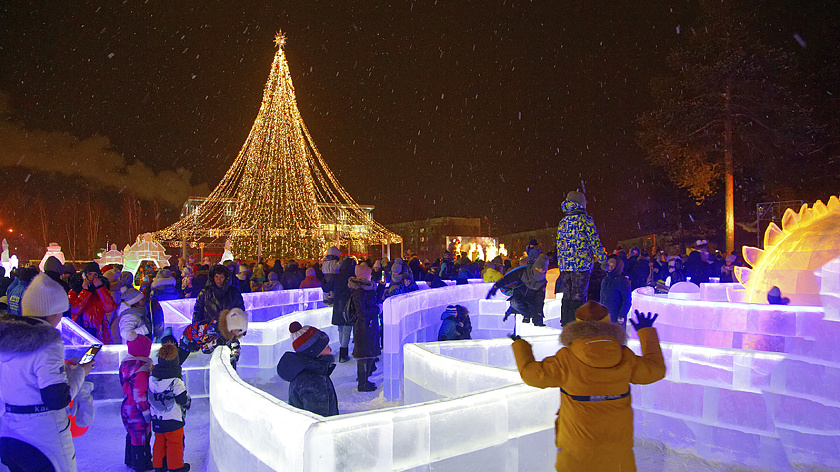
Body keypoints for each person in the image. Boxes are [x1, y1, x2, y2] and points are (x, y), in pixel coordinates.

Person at [511, 302, 666, 471]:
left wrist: (521, 346)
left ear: (577, 325)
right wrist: (646, 332)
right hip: (616, 454)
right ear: (608, 323)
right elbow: (656, 370)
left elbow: (532, 376)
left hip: (577, 452)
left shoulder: (567, 359)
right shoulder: (624, 357)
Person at [0, 273, 95, 472]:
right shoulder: (47, 342)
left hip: (10, 433)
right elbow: (56, 398)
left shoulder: (6, 339)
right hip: (43, 437)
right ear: (53, 313)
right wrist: (80, 373)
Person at [555, 191, 607, 326]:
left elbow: (559, 246)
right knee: (579, 296)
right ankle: (578, 324)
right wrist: (602, 260)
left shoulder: (562, 222)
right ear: (581, 203)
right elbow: (594, 241)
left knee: (567, 295)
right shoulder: (586, 220)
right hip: (581, 265)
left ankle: (566, 322)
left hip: (565, 266)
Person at [179, 265, 245, 363]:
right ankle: (171, 370)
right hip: (207, 330)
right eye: (217, 277)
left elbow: (240, 311)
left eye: (221, 277)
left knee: (230, 356)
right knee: (186, 341)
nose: (219, 280)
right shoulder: (205, 292)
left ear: (226, 278)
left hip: (226, 331)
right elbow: (198, 311)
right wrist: (197, 328)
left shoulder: (233, 292)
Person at [276, 322, 339, 417]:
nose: (330, 349)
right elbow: (318, 422)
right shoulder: (313, 380)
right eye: (326, 347)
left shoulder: (307, 372)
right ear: (315, 353)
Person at [148, 343, 191, 472]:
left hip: (157, 417)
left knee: (159, 442)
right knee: (174, 443)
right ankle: (176, 466)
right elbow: (182, 399)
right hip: (173, 418)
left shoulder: (152, 379)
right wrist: (188, 402)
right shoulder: (175, 381)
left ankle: (159, 466)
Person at [120, 332, 153, 471]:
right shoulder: (142, 369)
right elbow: (139, 393)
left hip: (127, 406)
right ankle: (141, 464)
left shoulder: (126, 365)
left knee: (132, 435)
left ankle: (130, 460)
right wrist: (146, 412)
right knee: (140, 436)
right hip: (137, 410)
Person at [346, 263, 381, 392]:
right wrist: (377, 309)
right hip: (363, 326)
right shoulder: (359, 291)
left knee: (369, 353)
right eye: (369, 273)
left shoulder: (366, 288)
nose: (371, 275)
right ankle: (362, 382)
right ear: (364, 275)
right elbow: (361, 311)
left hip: (369, 325)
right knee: (364, 354)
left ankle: (365, 380)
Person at [487, 254, 549, 326]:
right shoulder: (523, 272)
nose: (540, 272)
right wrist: (496, 287)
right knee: (514, 302)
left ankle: (529, 315)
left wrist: (537, 318)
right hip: (518, 301)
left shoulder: (542, 283)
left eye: (543, 271)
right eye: (539, 269)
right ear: (535, 267)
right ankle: (526, 314)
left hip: (532, 304)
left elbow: (539, 300)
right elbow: (508, 279)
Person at [70, 261, 119, 343]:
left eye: (95, 274)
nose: (92, 277)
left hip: (100, 331)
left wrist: (100, 288)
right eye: (89, 274)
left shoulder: (101, 289)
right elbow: (75, 310)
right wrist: (85, 291)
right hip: (82, 329)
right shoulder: (75, 290)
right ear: (84, 275)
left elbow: (110, 307)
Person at [331, 256, 356, 363]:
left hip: (338, 305)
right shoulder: (352, 278)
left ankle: (342, 350)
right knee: (346, 330)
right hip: (348, 305)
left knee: (341, 329)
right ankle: (343, 353)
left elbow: (328, 287)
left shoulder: (337, 277)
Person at [600, 255, 632, 327]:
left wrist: (621, 315)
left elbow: (627, 300)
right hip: (605, 316)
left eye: (613, 265)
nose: (610, 267)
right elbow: (602, 297)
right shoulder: (605, 279)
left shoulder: (622, 280)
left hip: (616, 317)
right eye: (609, 264)